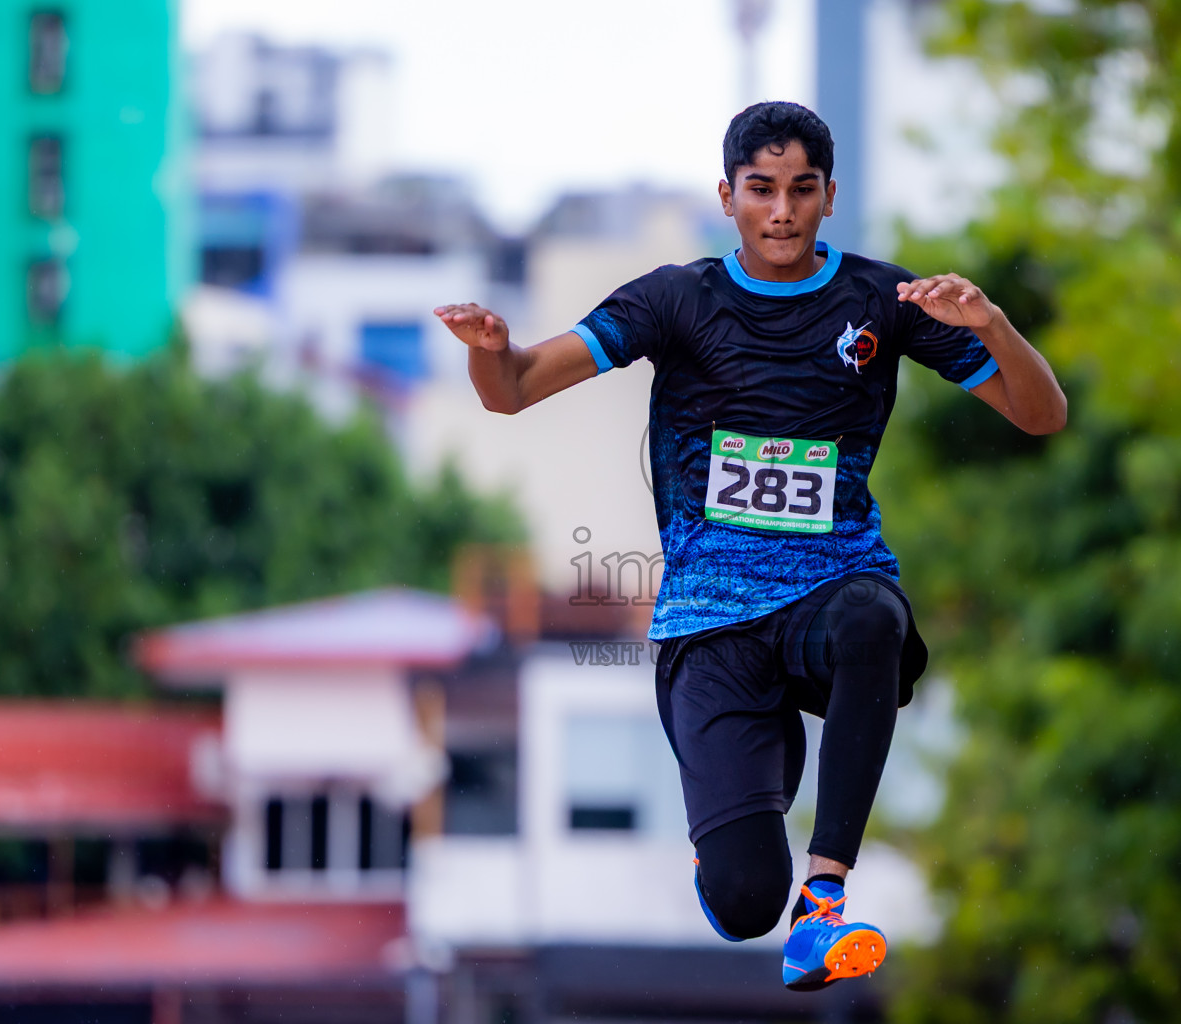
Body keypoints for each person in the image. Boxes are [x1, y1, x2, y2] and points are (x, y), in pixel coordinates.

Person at [435, 101, 1066, 991]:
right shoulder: (674, 299)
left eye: (801, 191)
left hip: (830, 593)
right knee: (741, 904)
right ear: (727, 196)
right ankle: (752, 856)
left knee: (874, 619)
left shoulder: (884, 301)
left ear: (829, 197)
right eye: (761, 191)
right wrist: (489, 351)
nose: (781, 212)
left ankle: (824, 908)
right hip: (711, 625)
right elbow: (513, 391)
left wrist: (992, 325)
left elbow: (1042, 415)